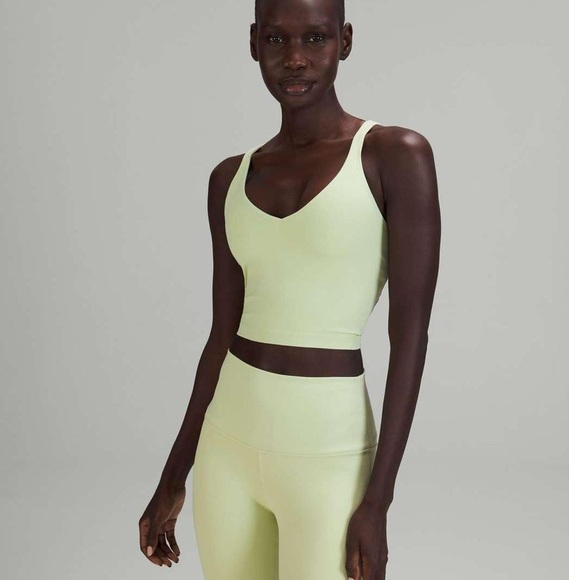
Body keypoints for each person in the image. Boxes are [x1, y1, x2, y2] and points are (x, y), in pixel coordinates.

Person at [138, 0, 440, 578]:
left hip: (327, 455)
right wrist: (173, 476)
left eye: (316, 38)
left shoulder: (394, 155)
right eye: (277, 40)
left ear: (344, 41)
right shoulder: (229, 178)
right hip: (226, 447)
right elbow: (221, 337)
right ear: (254, 43)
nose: (295, 59)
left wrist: (377, 502)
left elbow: (411, 336)